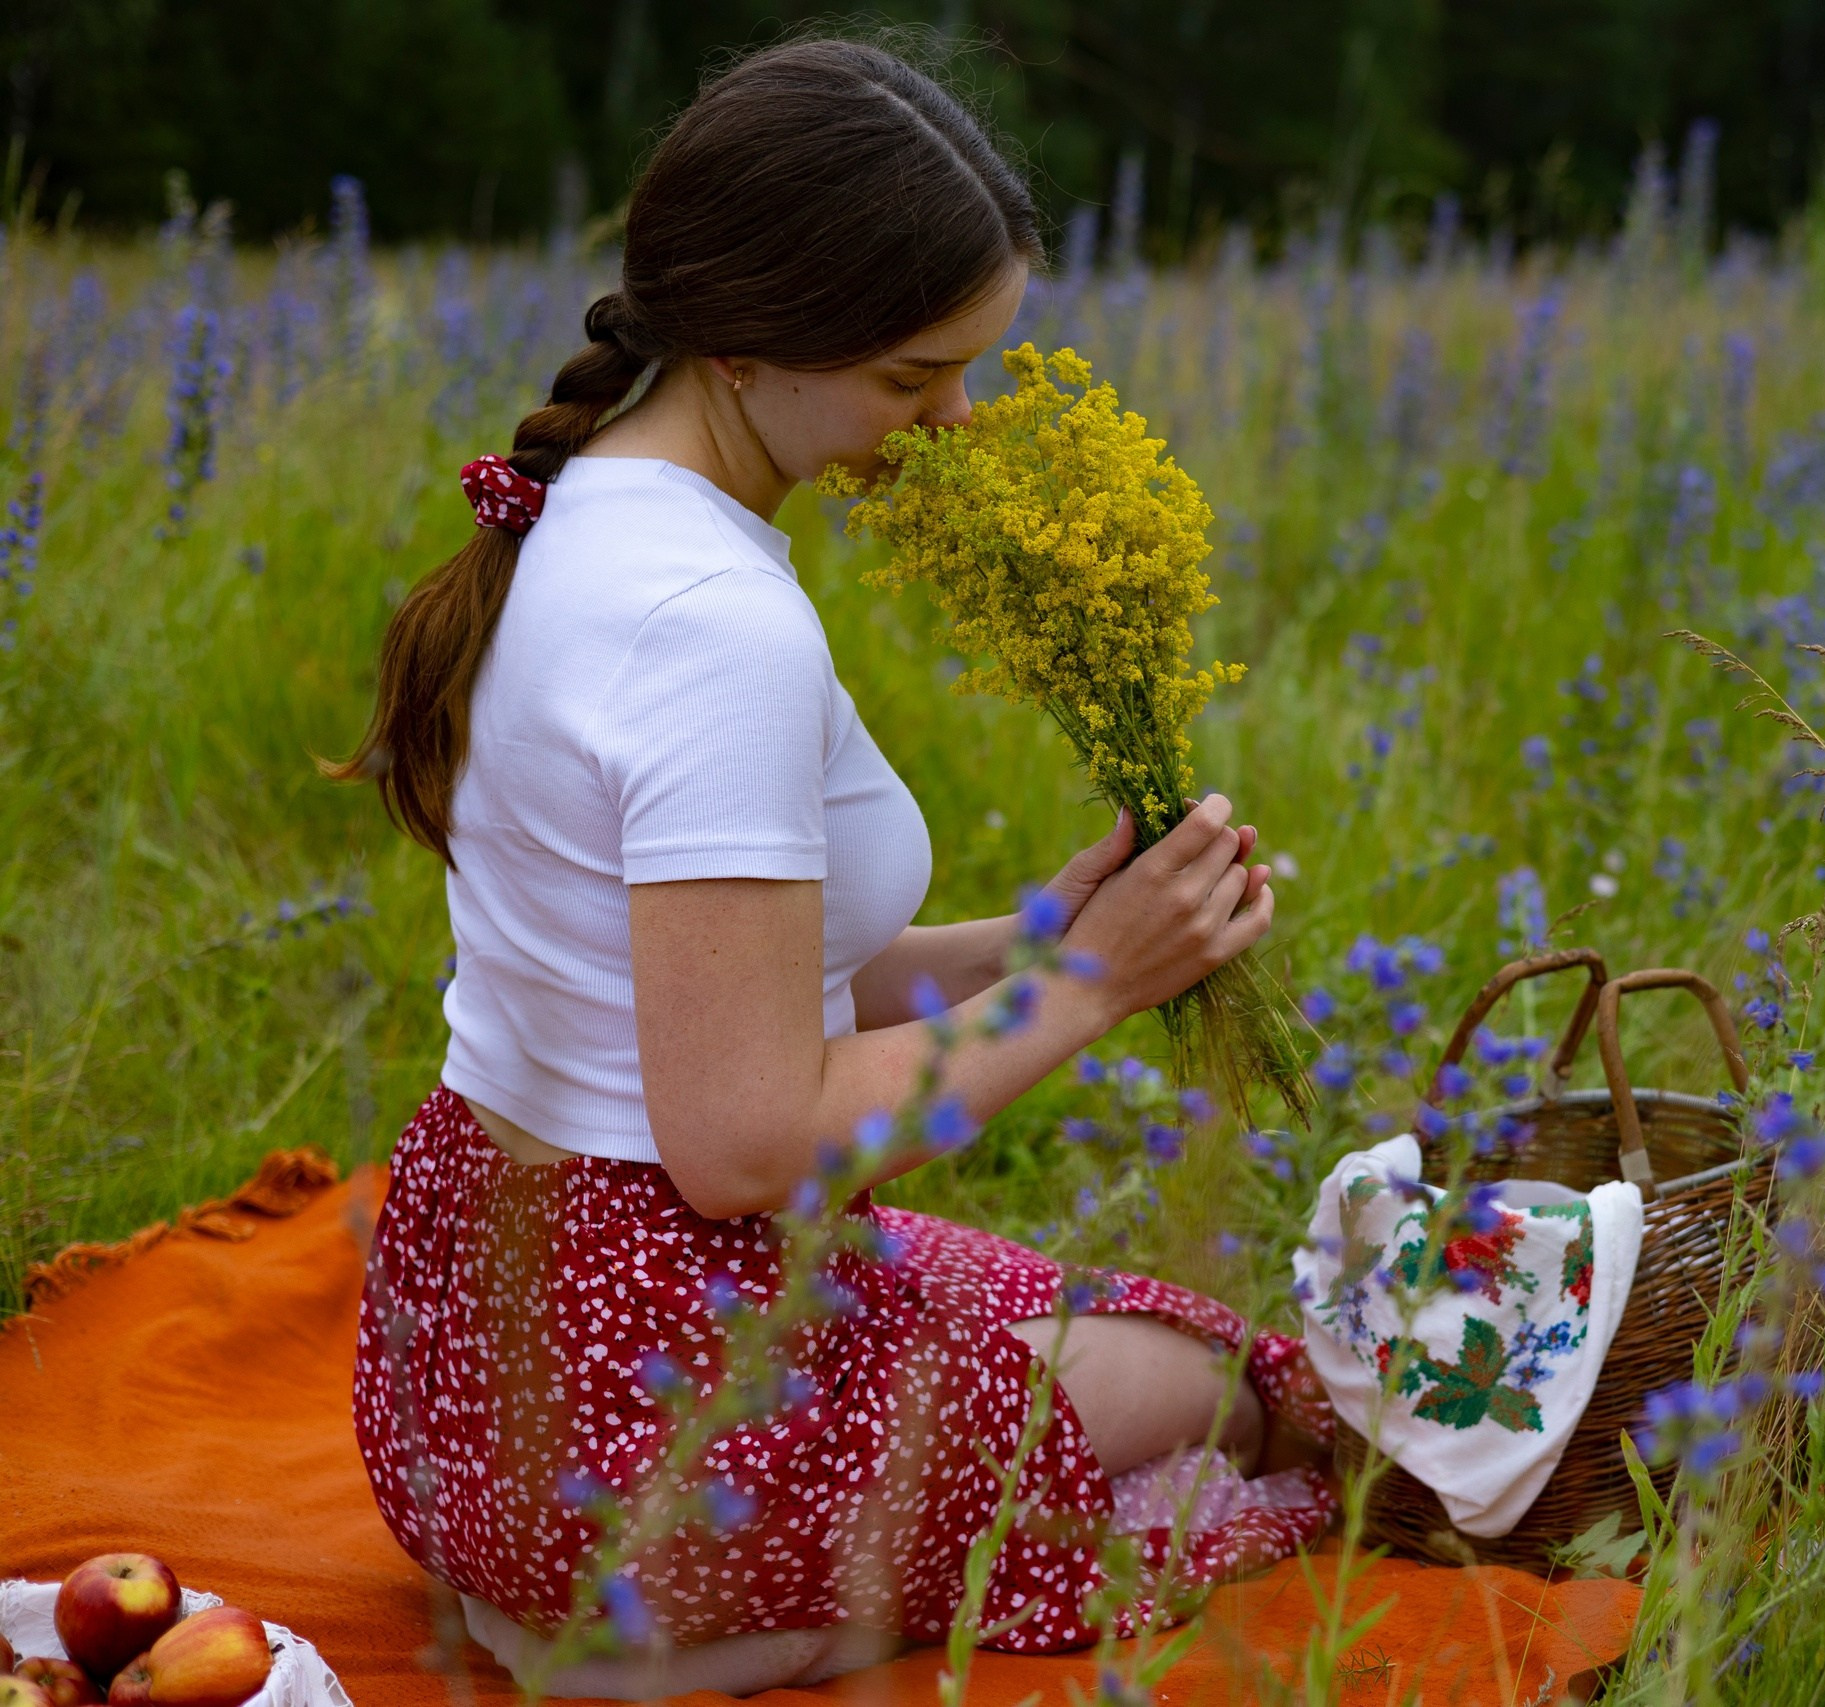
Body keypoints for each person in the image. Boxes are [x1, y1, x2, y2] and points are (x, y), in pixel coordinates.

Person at [331, 38, 1333, 1696]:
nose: (949, 426)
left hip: (470, 1372)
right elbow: (739, 1149)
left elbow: (747, 984)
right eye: (911, 378)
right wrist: (1100, 988)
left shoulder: (587, 517)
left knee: (1120, 1322)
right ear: (745, 341)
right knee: (1245, 1395)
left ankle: (660, 1614)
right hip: (655, 1408)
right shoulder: (716, 627)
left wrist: (1035, 939)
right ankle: (705, 1629)